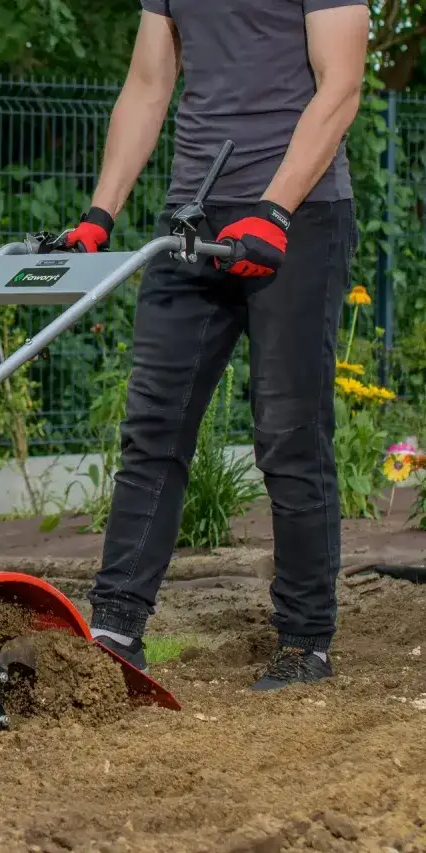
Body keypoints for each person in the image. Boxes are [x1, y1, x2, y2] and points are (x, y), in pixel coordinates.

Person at [64, 0, 370, 690]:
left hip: (301, 215)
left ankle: (304, 639)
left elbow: (341, 83)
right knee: (154, 425)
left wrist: (276, 207)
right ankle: (116, 625)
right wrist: (100, 212)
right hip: (191, 218)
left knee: (290, 433)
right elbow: (148, 83)